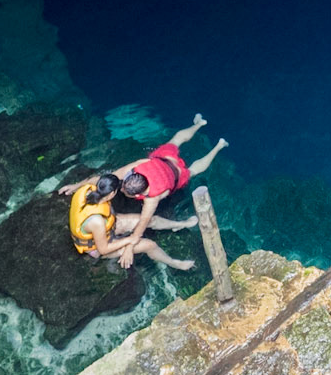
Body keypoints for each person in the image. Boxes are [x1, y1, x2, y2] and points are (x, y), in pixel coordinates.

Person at [116, 114, 228, 265]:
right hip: (166, 161)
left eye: (125, 191)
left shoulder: (152, 198)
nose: (122, 191)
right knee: (176, 140)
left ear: (138, 193)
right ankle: (203, 127)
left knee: (193, 170)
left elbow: (142, 223)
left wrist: (129, 247)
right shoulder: (140, 166)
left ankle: (217, 144)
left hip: (176, 177)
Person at [60, 170, 198, 272]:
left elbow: (93, 179)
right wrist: (129, 242)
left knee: (150, 220)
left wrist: (74, 186)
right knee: (149, 245)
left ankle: (178, 225)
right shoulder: (96, 221)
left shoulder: (87, 189)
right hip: (97, 246)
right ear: (112, 194)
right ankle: (175, 263)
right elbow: (103, 248)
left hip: (109, 225)